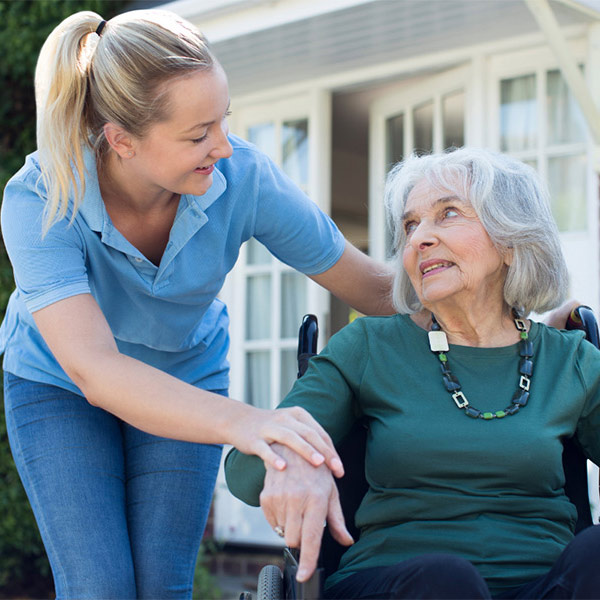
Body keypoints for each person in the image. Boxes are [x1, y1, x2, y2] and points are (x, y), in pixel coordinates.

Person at [0, 9, 398, 599]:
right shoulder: (41, 199)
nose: (222, 146)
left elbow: (371, 286)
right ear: (122, 140)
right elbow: (97, 371)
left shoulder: (244, 178)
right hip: (60, 384)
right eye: (197, 134)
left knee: (163, 588)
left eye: (222, 122)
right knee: (99, 588)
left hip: (184, 370)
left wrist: (493, 306)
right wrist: (249, 423)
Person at [225, 147, 600, 599]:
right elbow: (246, 476)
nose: (419, 237)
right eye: (410, 225)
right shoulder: (370, 348)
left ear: (510, 241)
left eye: (447, 214)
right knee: (446, 582)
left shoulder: (569, 361)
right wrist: (293, 458)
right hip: (401, 583)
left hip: (543, 585)